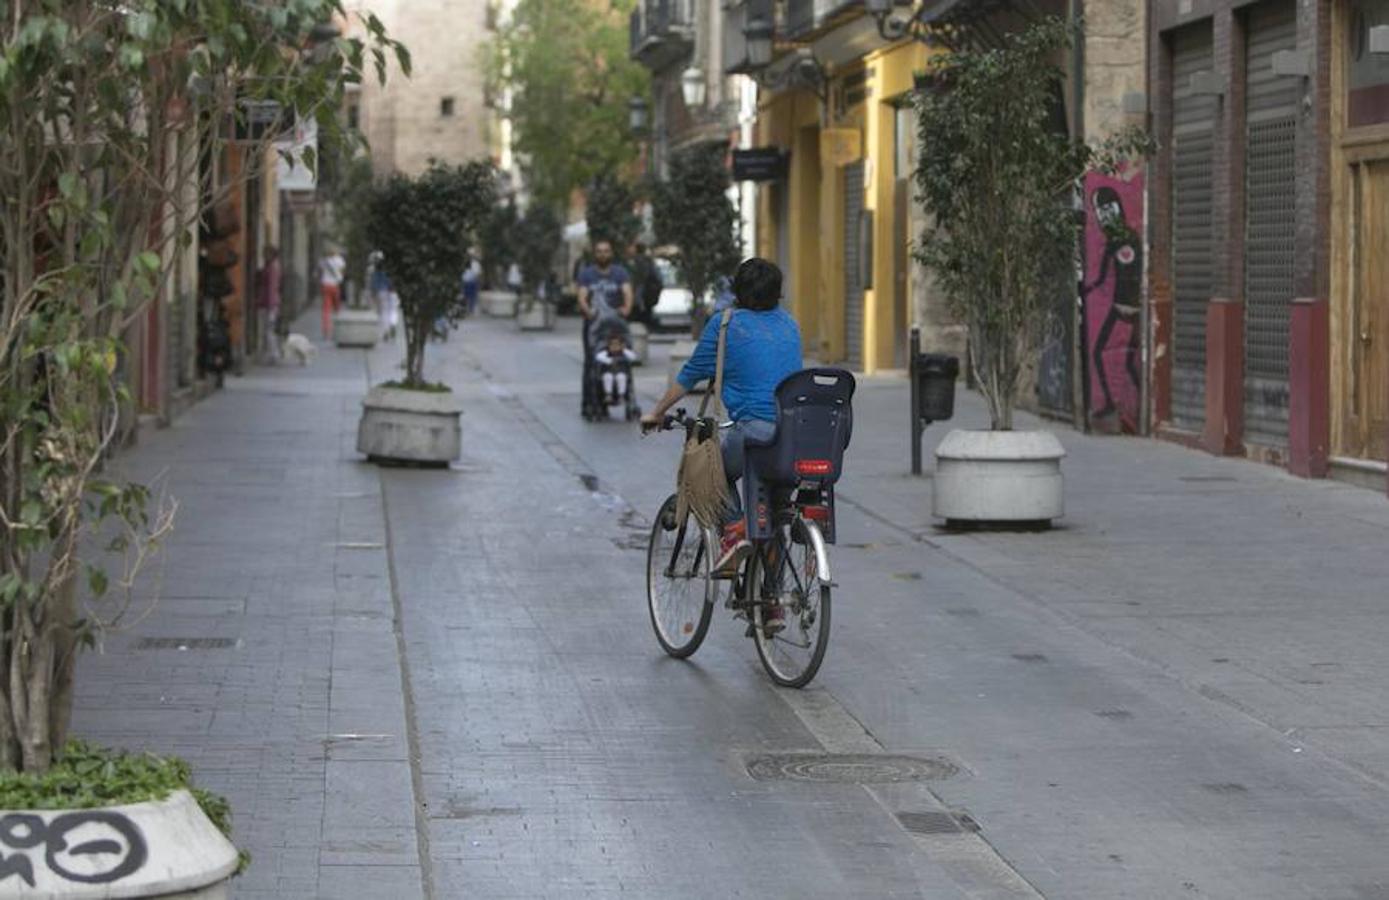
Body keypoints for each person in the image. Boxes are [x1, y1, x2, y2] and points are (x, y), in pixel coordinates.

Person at [641, 258, 803, 582]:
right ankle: (772, 607)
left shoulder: (726, 322)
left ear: (737, 291)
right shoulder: (789, 324)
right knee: (773, 515)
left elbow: (689, 375)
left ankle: (733, 529)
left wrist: (656, 413)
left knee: (713, 471)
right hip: (795, 437)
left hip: (754, 433)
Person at [576, 240, 634, 417]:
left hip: (615, 326)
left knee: (620, 360)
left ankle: (622, 397)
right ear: (595, 254)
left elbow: (627, 292)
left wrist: (626, 308)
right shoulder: (587, 274)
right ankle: (590, 402)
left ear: (611, 253)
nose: (603, 254)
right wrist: (588, 312)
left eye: (606, 251)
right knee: (591, 363)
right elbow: (582, 296)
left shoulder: (620, 273)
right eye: (599, 251)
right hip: (594, 326)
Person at [255, 246, 282, 364]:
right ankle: (271, 353)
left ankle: (273, 354)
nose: (263, 255)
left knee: (269, 330)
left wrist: (271, 306)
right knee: (267, 330)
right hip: (267, 303)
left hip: (269, 304)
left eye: (265, 253)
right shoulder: (270, 267)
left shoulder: (272, 268)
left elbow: (271, 287)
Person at [595, 333, 637, 405]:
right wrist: (609, 360)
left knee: (621, 377)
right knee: (607, 377)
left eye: (617, 345)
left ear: (621, 346)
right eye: (612, 345)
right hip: (609, 372)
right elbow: (598, 357)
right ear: (608, 346)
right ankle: (608, 394)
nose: (614, 347)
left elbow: (633, 357)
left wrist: (624, 350)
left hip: (620, 372)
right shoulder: (605, 353)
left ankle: (621, 395)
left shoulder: (624, 353)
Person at [319, 247, 345, 339]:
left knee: (326, 310)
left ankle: (326, 330)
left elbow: (321, 271)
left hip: (325, 285)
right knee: (337, 308)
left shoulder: (323, 261)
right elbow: (342, 272)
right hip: (335, 286)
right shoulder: (340, 260)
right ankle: (338, 329)